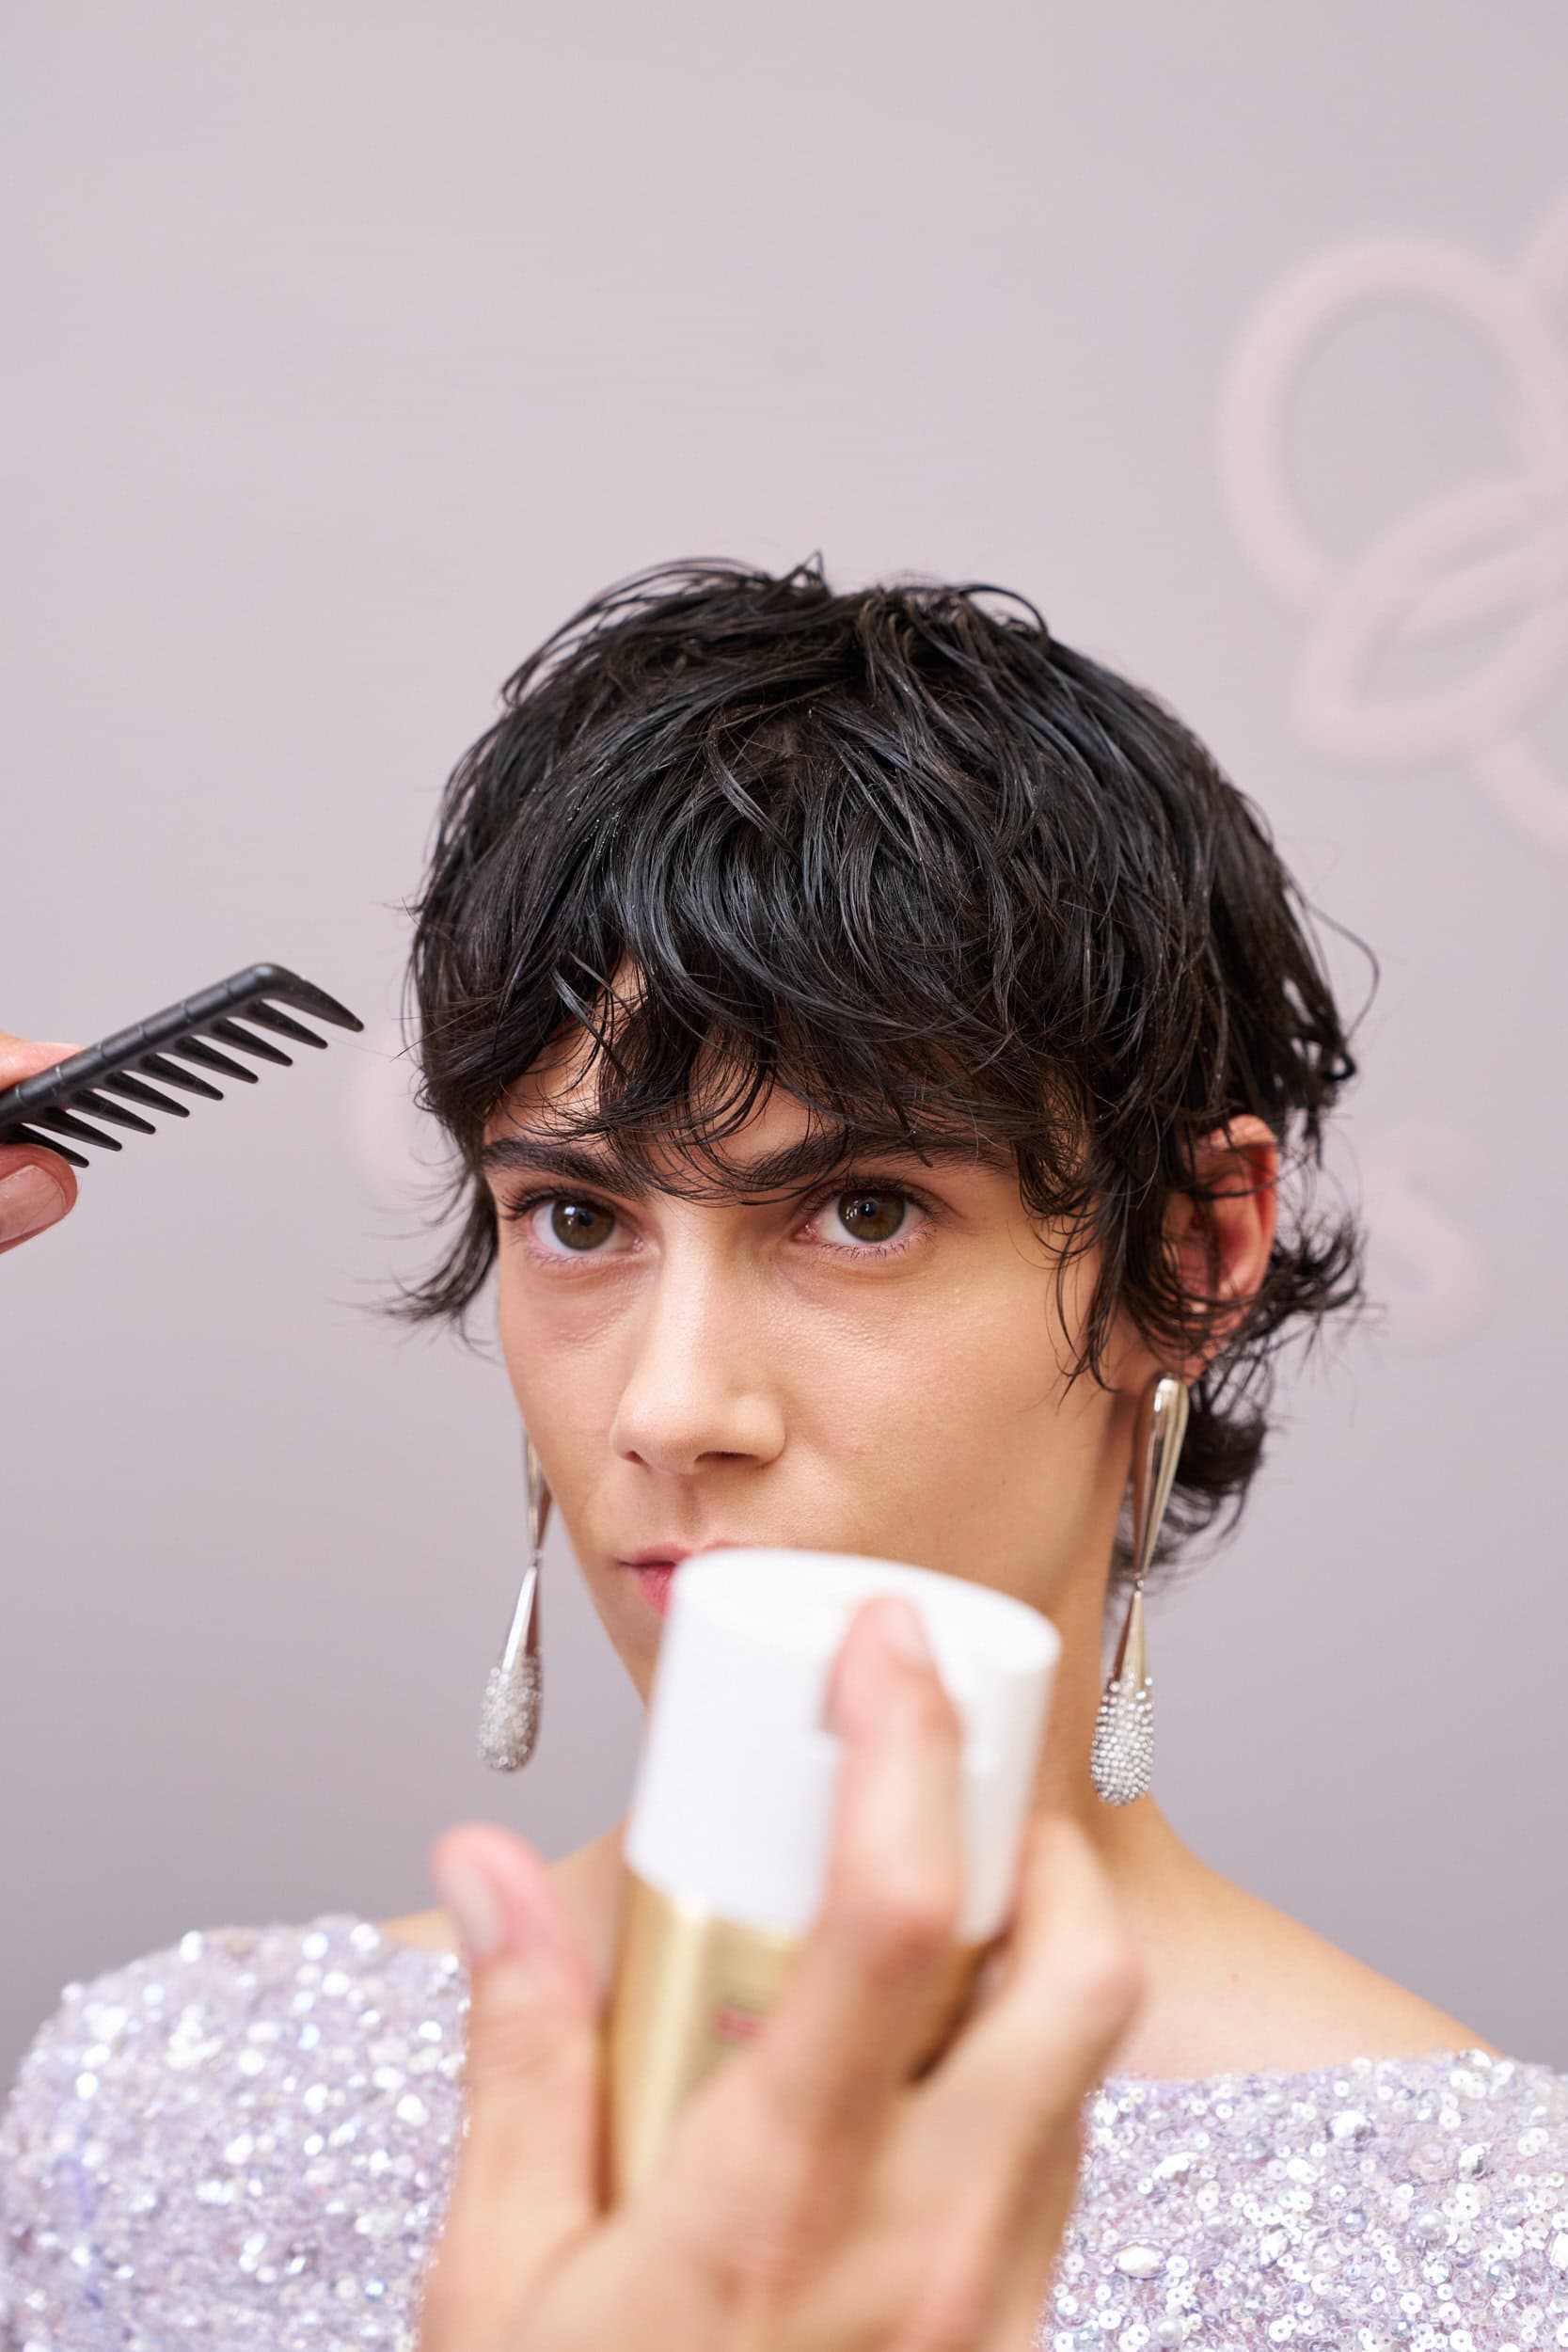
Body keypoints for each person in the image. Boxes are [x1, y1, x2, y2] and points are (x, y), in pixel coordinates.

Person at [2, 559, 1562, 2350]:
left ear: (1196, 1254)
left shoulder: (1486, 2264)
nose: (669, 1407)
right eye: (577, 1219)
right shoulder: (160, 2129)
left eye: (866, 1210)